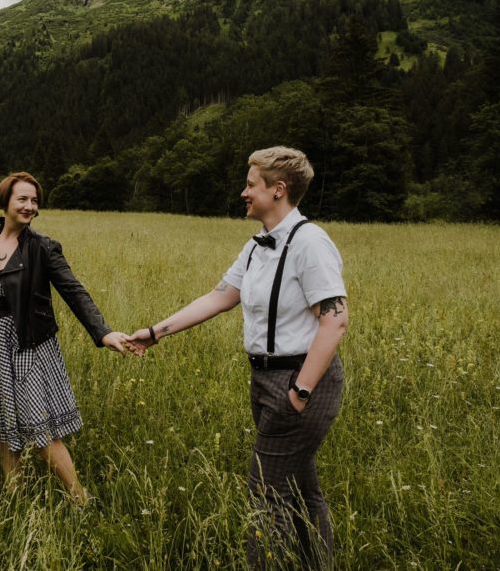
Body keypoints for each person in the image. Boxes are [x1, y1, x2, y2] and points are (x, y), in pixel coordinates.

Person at [129, 147, 348, 568]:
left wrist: (300, 391)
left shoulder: (311, 243)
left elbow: (335, 321)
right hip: (267, 382)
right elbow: (220, 296)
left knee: (265, 495)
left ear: (278, 190)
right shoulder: (256, 247)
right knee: (301, 490)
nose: (243, 192)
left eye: (251, 184)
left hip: (300, 380)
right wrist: (155, 333)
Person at [0, 171, 130, 504]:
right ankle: (14, 496)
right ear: (6, 201)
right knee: (2, 424)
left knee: (40, 430)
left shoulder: (42, 247)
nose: (29, 206)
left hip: (27, 342)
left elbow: (73, 291)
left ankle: (80, 498)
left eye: (34, 200)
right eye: (22, 199)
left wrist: (104, 332)